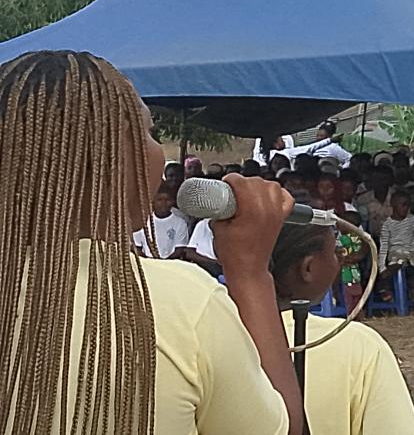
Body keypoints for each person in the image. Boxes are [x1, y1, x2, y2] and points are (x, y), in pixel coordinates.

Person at [0, 50, 303, 435]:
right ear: (110, 159)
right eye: (149, 131)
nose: (158, 149)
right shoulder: (183, 305)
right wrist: (250, 274)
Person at [270, 224, 414, 434]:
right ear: (308, 268)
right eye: (335, 252)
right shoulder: (358, 346)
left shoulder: (218, 335)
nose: (340, 259)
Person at [379, 190, 414, 303]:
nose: (406, 208)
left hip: (413, 249)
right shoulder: (387, 224)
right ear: (394, 205)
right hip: (397, 250)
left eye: (408, 205)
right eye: (403, 205)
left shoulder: (412, 219)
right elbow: (384, 246)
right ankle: (384, 285)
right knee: (396, 263)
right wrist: (382, 267)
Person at [132, 184, 192, 259]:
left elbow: (180, 249)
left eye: (167, 200)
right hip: (147, 263)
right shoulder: (143, 221)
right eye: (159, 200)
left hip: (170, 264)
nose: (163, 203)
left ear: (173, 201)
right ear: (153, 201)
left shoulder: (180, 223)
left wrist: (162, 263)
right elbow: (137, 247)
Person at [355, 165, 395, 235]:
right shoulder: (362, 199)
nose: (380, 183)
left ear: (390, 181)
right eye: (377, 179)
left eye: (384, 179)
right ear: (371, 181)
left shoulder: (397, 198)